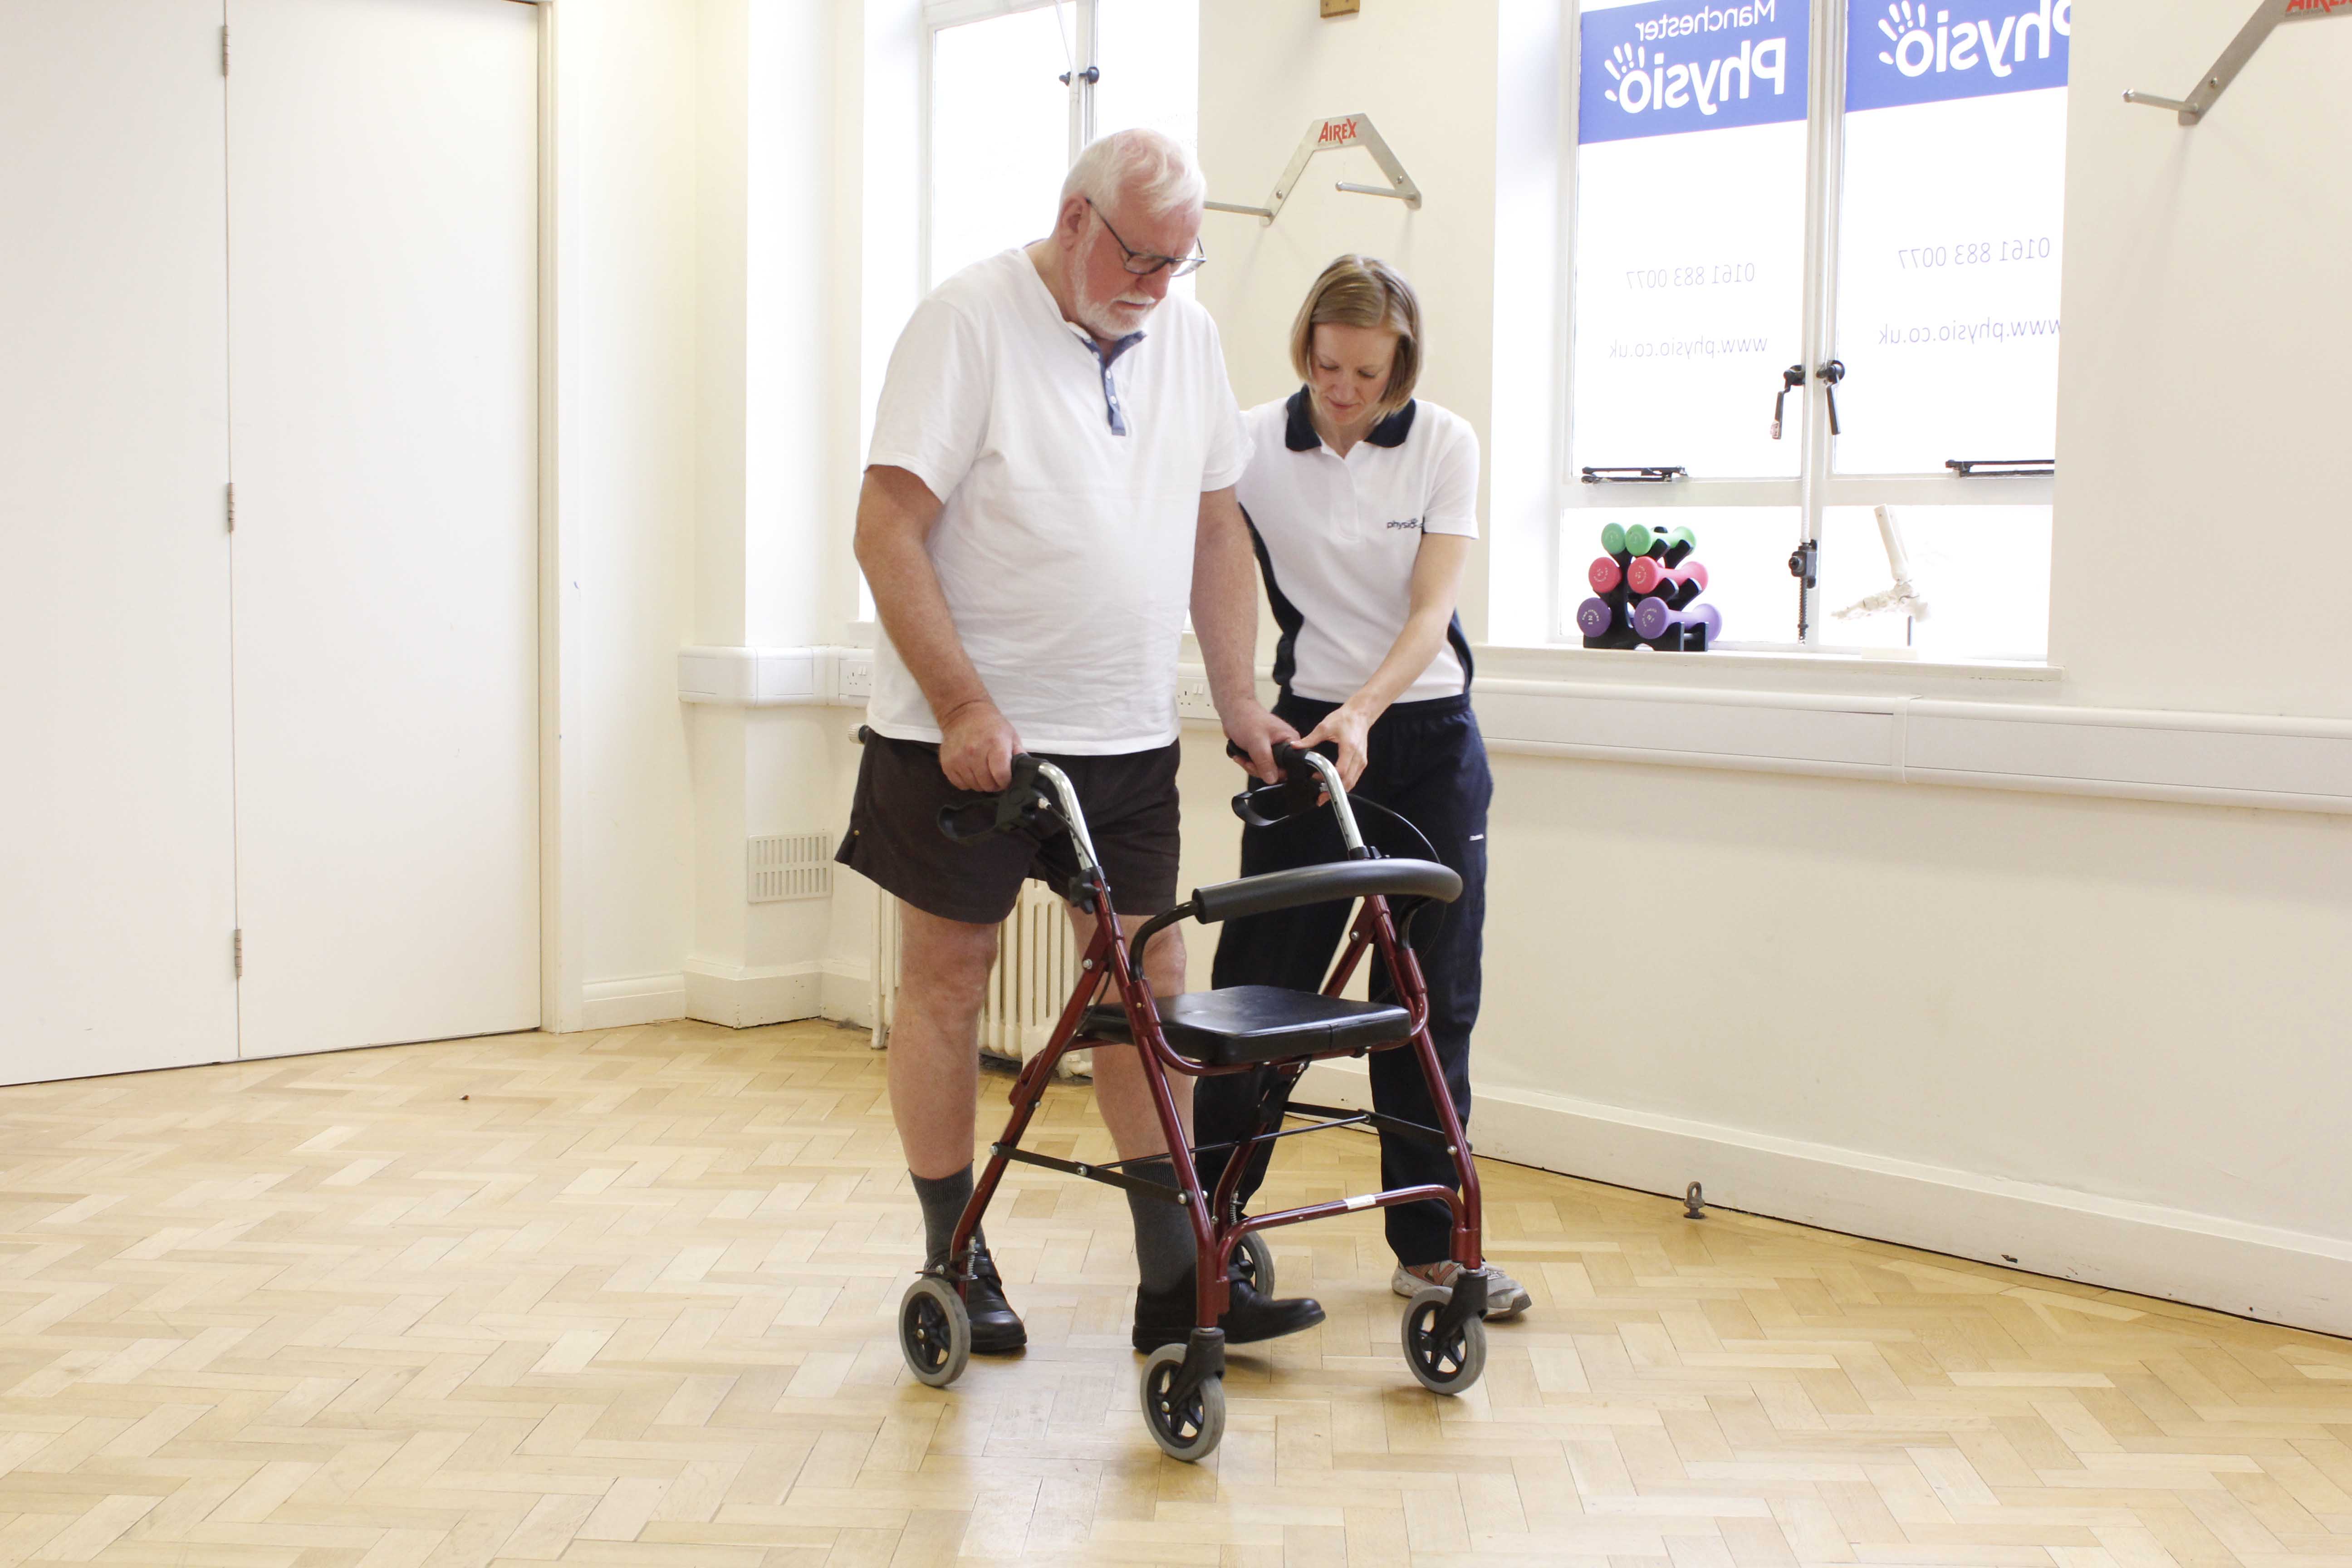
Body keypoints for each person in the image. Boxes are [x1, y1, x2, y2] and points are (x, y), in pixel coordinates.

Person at [839, 129, 1327, 1357]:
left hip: (1122, 737)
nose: (1157, 285)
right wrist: (960, 704)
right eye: (1139, 256)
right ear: (1072, 220)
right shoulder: (966, 324)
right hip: (963, 745)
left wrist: (1238, 697)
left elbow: (1218, 533)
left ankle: (1178, 1281)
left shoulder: (1192, 340)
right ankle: (956, 1249)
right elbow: (886, 532)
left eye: (1180, 262)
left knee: (1146, 997)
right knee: (950, 983)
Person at [1192, 255, 1531, 1319]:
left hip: (1423, 739)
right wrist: (1247, 706)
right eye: (1328, 366)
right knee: (1261, 984)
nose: (1342, 391)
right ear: (1306, 350)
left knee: (1429, 1000)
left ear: (1403, 367)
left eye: (1367, 373)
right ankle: (1212, 1223)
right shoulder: (1249, 444)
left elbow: (1430, 614)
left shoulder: (1444, 444)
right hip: (1303, 741)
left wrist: (1369, 714)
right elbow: (1208, 564)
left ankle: (1431, 1246)